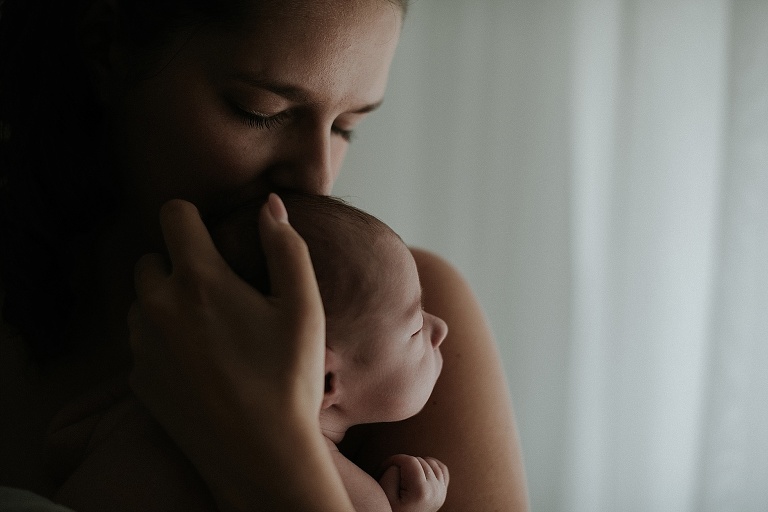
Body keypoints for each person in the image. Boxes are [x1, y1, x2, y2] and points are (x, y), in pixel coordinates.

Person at [0, 0, 529, 510]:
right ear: (107, 46)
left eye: (347, 127)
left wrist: (276, 455)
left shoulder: (406, 312)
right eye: (262, 112)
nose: (316, 180)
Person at [46, 193, 450, 512]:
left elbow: (62, 446)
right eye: (415, 329)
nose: (441, 328)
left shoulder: (148, 401)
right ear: (324, 379)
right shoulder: (357, 499)